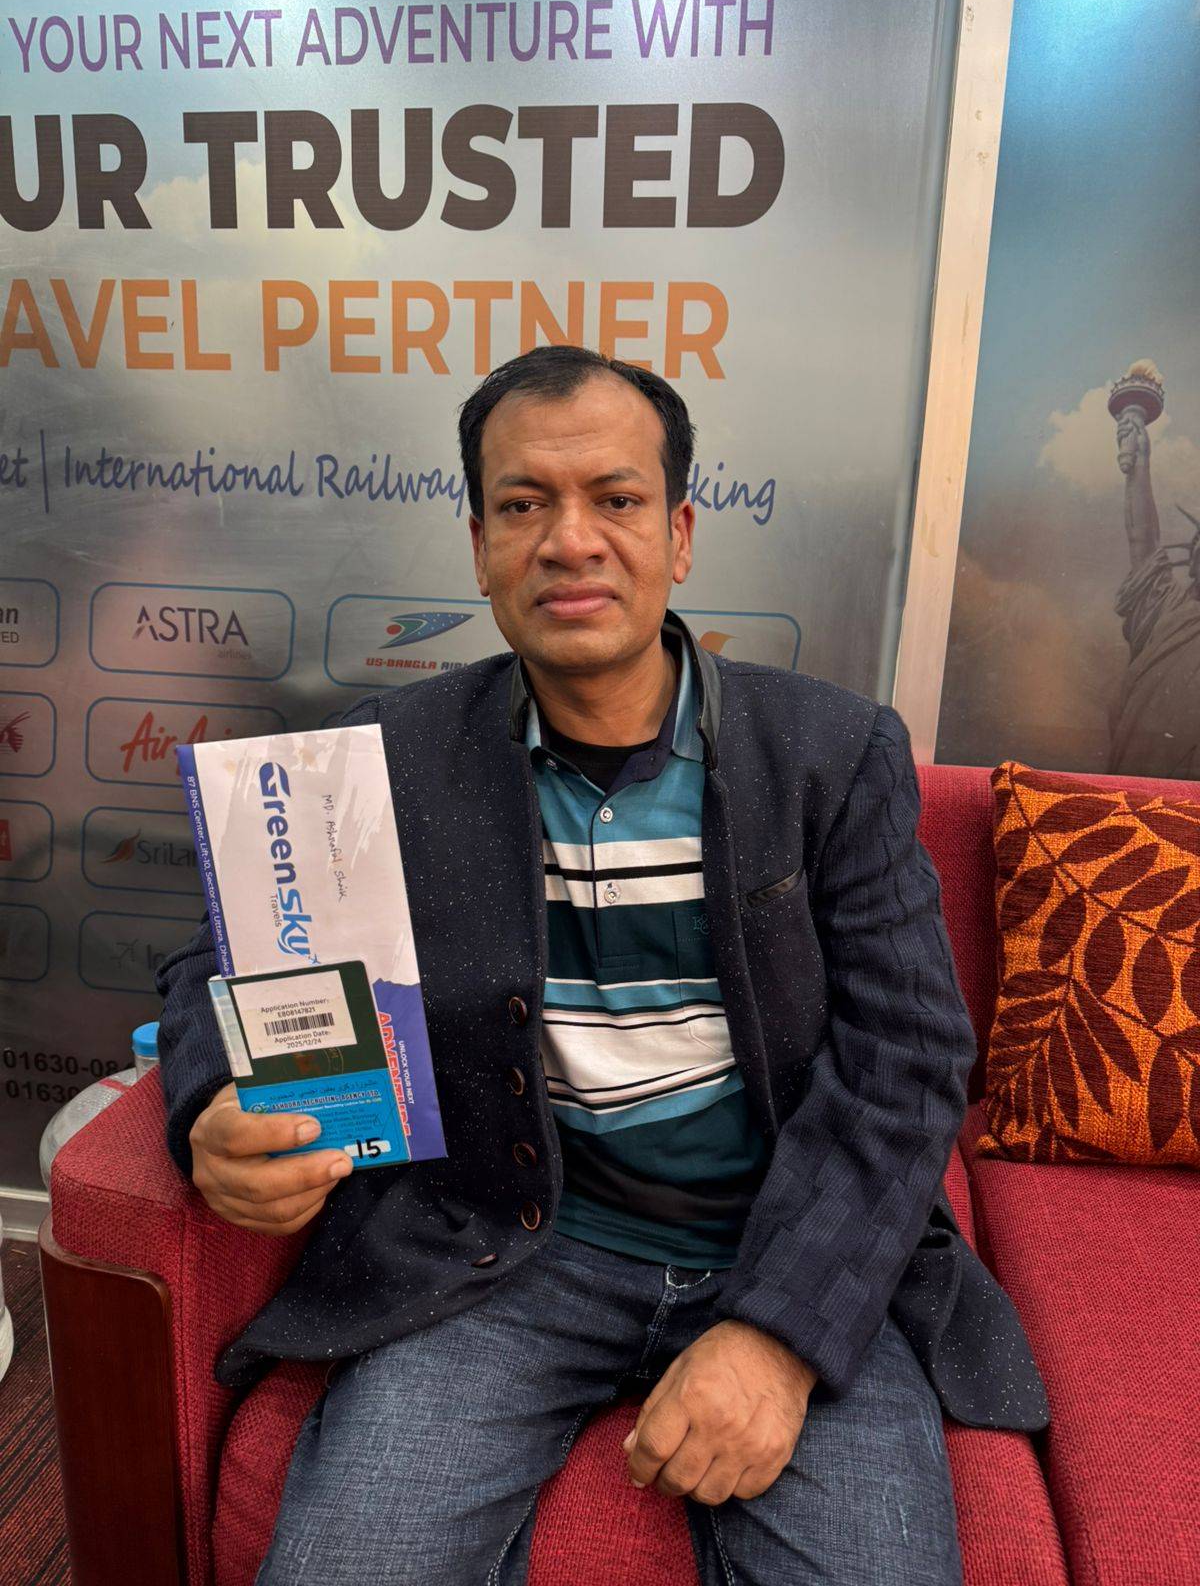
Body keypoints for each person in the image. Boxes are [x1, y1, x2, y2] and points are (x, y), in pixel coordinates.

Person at [156, 346, 1048, 1585]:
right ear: (481, 547)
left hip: (779, 1239)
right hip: (503, 1251)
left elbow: (910, 1056)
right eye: (524, 504)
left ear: (679, 534)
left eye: (616, 499)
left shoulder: (829, 753)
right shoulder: (387, 755)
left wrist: (779, 1338)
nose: (570, 541)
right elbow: (217, 953)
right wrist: (211, 1101)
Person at [1109, 398, 1200, 778]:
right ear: (1192, 561)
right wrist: (1139, 465)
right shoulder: (1166, 607)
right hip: (1141, 786)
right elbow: (1142, 539)